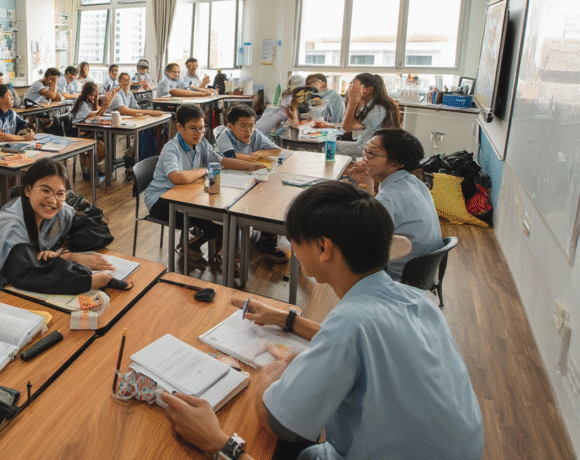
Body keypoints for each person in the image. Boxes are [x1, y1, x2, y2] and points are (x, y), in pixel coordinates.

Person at [162, 181, 483, 460]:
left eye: (293, 240)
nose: (291, 249)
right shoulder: (418, 302)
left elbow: (278, 422)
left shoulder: (350, 323)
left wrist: (223, 436)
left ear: (323, 247)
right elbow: (362, 344)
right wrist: (286, 319)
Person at [0, 158, 115, 294]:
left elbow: (99, 230)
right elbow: (29, 274)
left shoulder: (59, 211)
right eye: (45, 191)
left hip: (35, 287)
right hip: (1, 295)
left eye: (60, 194)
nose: (52, 201)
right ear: (28, 190)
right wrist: (87, 281)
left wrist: (66, 253)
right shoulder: (12, 225)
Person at [143, 104, 252, 270]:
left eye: (202, 128)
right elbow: (176, 177)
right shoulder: (171, 148)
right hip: (161, 200)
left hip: (187, 195)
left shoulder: (201, 143)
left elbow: (221, 160)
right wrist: (203, 170)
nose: (199, 133)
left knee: (226, 216)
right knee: (221, 218)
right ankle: (208, 252)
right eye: (193, 128)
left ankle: (194, 246)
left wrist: (252, 166)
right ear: (179, 127)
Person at [347, 128, 443, 281]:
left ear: (397, 163)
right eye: (366, 150)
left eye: (372, 154)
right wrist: (367, 184)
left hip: (397, 278)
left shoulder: (389, 199)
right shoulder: (415, 183)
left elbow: (359, 240)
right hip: (423, 275)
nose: (364, 158)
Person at [214, 105, 288, 263]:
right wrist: (254, 160)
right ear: (230, 127)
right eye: (243, 126)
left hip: (251, 178)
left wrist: (260, 153)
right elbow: (231, 158)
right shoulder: (224, 137)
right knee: (240, 207)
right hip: (229, 182)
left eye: (252, 125)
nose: (249, 131)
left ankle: (267, 241)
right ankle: (229, 250)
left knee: (269, 197)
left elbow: (276, 151)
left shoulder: (255, 134)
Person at [336, 73, 401, 157]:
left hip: (369, 150)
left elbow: (347, 126)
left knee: (329, 146)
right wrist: (356, 102)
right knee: (330, 145)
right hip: (362, 146)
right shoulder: (367, 106)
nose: (350, 88)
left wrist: (352, 102)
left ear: (368, 89)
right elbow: (349, 127)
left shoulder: (378, 109)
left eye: (354, 84)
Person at [71, 81, 109, 178]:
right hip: (78, 131)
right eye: (92, 95)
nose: (94, 97)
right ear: (86, 94)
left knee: (106, 139)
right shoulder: (82, 103)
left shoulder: (89, 101)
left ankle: (93, 166)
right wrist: (105, 106)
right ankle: (88, 168)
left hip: (88, 130)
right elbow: (96, 114)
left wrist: (96, 99)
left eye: (96, 94)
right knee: (100, 147)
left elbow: (96, 110)